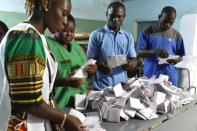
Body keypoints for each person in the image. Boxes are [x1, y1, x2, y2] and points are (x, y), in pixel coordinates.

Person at [0, 0, 85, 131]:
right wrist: (64, 119)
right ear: (46, 4)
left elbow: (47, 91)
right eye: (64, 13)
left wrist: (56, 120)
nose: (65, 21)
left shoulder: (39, 39)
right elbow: (28, 101)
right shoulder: (25, 36)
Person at [47, 14, 97, 108]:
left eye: (72, 31)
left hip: (80, 102)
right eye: (64, 30)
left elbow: (85, 73)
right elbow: (44, 80)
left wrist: (91, 70)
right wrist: (66, 81)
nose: (69, 34)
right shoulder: (47, 46)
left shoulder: (77, 47)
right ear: (56, 28)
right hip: (60, 105)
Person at [87, 1, 137, 90]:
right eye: (112, 16)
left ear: (124, 16)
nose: (115, 19)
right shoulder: (96, 35)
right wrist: (100, 66)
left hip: (123, 87)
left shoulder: (128, 37)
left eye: (119, 16)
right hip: (101, 87)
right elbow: (90, 59)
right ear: (107, 14)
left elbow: (133, 59)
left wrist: (130, 64)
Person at [136, 6, 185, 86]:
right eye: (165, 21)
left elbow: (181, 55)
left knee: (170, 98)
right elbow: (139, 52)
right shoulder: (147, 32)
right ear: (159, 17)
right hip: (151, 77)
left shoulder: (176, 35)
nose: (168, 25)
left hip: (170, 79)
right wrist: (156, 51)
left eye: (171, 22)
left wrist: (176, 60)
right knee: (147, 98)